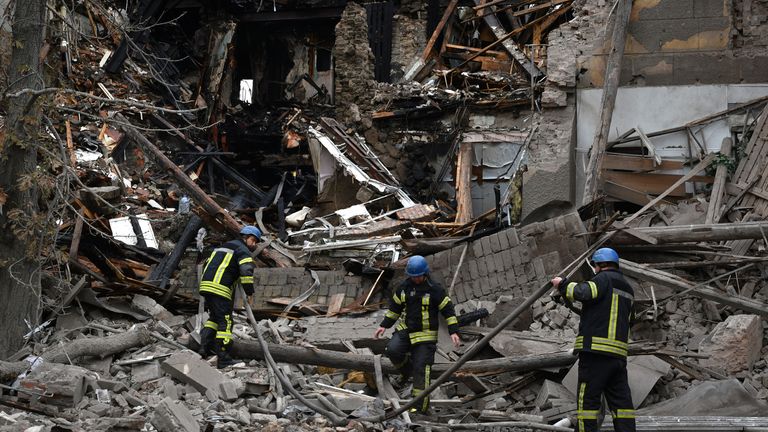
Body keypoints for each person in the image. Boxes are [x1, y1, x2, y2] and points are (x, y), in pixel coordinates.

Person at [551, 247, 635, 432]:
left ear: (600, 265)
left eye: (595, 266)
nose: (595, 269)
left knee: (587, 403)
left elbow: (584, 292)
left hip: (596, 355)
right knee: (622, 406)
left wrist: (562, 284)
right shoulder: (628, 288)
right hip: (618, 358)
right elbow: (630, 320)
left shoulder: (603, 279)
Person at [373, 255, 461, 414]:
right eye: (413, 277)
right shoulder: (404, 288)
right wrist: (383, 326)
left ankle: (419, 407)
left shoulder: (435, 289)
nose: (416, 279)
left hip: (426, 336)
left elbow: (448, 311)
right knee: (392, 351)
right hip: (406, 330)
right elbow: (394, 309)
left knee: (422, 369)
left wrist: (453, 331)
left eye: (419, 276)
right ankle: (407, 373)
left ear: (425, 273)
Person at [198, 226, 261, 368]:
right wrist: (249, 292)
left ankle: (204, 349)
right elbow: (246, 272)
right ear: (246, 237)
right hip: (220, 288)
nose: (254, 244)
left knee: (214, 319)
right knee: (226, 323)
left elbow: (207, 264)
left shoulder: (223, 247)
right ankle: (224, 358)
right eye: (253, 240)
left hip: (206, 286)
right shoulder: (243, 250)